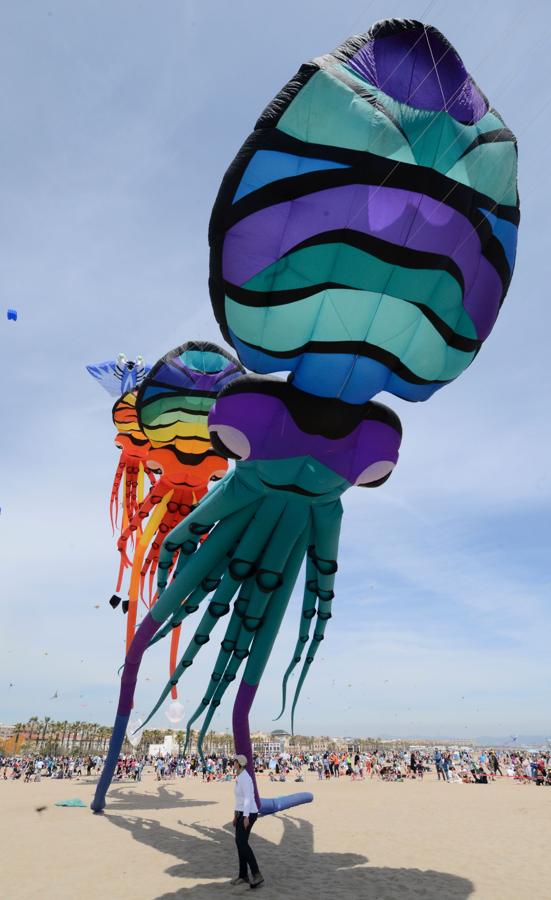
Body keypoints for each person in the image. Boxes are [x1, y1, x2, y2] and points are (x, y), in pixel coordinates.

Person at [231, 754, 263, 888]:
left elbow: (248, 798)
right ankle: (243, 875)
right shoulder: (240, 776)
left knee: (242, 843)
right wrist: (235, 815)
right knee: (240, 843)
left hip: (249, 813)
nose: (233, 763)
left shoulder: (245, 777)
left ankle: (256, 874)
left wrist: (245, 817)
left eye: (235, 762)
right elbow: (239, 799)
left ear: (239, 764)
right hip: (241, 813)